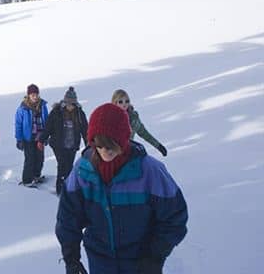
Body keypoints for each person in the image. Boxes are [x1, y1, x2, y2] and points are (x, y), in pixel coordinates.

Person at [57, 104, 187, 274]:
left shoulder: (149, 171)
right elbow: (68, 217)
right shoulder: (82, 171)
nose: (105, 151)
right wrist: (71, 259)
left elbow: (175, 216)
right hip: (100, 261)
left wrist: (154, 256)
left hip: (141, 262)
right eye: (99, 144)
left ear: (123, 139)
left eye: (111, 145)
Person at [39, 87, 88, 195]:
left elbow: (85, 129)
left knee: (69, 166)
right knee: (62, 165)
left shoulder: (79, 113)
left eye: (72, 104)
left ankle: (68, 187)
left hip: (72, 145)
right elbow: (48, 127)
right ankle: (60, 189)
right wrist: (41, 140)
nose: (70, 106)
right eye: (68, 103)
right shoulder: (56, 112)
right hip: (58, 144)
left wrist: (88, 143)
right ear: (65, 102)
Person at [111, 89, 168, 157]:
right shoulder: (111, 118)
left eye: (127, 101)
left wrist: (158, 146)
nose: (124, 104)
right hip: (113, 153)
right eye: (120, 102)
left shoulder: (134, 118)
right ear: (115, 103)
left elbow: (144, 133)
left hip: (128, 152)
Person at [15, 84, 49, 187]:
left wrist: (46, 136)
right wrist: (19, 139)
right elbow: (18, 124)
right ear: (28, 95)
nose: (34, 96)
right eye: (32, 94)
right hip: (28, 138)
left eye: (36, 94)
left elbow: (47, 121)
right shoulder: (22, 108)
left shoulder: (43, 106)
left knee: (40, 158)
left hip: (40, 137)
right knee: (29, 159)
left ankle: (36, 176)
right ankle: (27, 180)